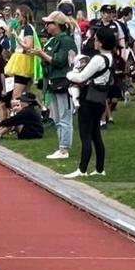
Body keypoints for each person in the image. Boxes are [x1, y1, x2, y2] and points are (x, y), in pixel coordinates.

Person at [63, 27, 114, 178]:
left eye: (97, 39)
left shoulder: (98, 59)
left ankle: (82, 169)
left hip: (89, 98)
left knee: (86, 135)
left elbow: (80, 78)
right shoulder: (110, 57)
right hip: (99, 98)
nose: (95, 41)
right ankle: (99, 168)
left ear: (102, 42)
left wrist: (69, 73)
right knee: (96, 135)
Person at [33, 10, 78, 160]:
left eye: (49, 23)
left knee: (64, 116)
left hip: (63, 82)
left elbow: (60, 61)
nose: (46, 26)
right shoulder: (53, 40)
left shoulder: (66, 41)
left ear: (57, 25)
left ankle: (64, 148)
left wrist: (42, 54)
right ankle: (61, 146)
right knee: (57, 117)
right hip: (53, 81)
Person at [3, 5, 38, 100]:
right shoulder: (23, 28)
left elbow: (28, 46)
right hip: (20, 61)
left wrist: (17, 38)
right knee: (23, 94)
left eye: (18, 14)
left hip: (23, 63)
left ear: (24, 15)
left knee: (17, 96)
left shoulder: (28, 29)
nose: (16, 17)